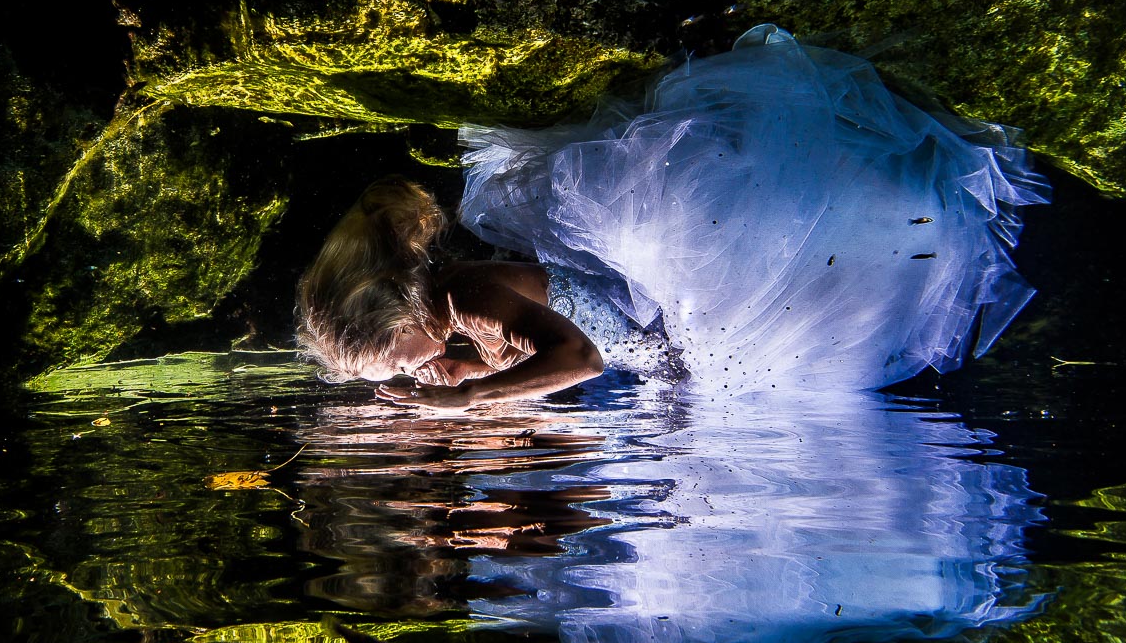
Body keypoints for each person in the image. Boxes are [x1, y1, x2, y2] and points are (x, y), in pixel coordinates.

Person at [295, 24, 1049, 408]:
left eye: (403, 360)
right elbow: (487, 359)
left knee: (836, 294)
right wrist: (436, 386)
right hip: (663, 342)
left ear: (400, 316)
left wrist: (467, 401)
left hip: (682, 322)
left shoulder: (476, 297)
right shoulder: (455, 311)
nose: (419, 370)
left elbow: (579, 361)